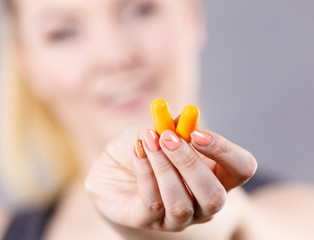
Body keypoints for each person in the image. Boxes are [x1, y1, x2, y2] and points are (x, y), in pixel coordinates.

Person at [0, 0, 313, 239]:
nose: (115, 56)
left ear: (192, 17)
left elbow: (242, 226)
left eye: (141, 10)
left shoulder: (299, 214)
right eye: (63, 32)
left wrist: (206, 219)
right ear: (27, 64)